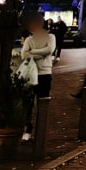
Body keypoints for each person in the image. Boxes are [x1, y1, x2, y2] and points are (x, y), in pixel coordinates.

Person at [20, 12, 57, 142]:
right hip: (31, 74)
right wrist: (40, 53)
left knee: (43, 103)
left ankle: (41, 130)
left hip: (45, 74)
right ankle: (28, 130)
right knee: (28, 104)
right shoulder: (30, 39)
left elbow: (49, 50)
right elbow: (24, 55)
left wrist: (32, 52)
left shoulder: (50, 37)